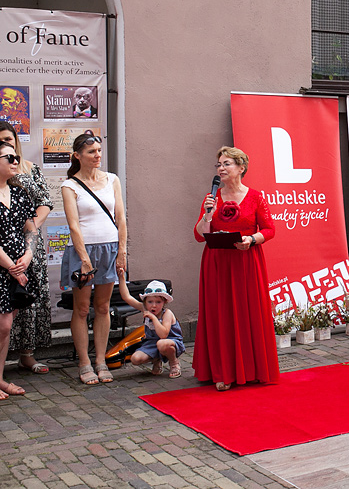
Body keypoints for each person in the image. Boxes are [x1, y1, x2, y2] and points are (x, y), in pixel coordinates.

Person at [194, 146, 279, 390]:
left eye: (227, 163)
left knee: (246, 312)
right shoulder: (212, 198)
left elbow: (269, 229)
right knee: (220, 314)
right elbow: (199, 236)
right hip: (217, 263)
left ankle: (250, 369)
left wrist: (251, 240)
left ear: (241, 168)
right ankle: (222, 372)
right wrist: (207, 216)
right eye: (219, 164)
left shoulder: (255, 197)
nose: (221, 168)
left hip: (245, 262)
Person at [62, 131, 127, 385]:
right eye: (91, 152)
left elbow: (121, 218)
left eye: (99, 151)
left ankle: (100, 360)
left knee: (102, 306)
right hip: (84, 250)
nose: (97, 155)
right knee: (81, 308)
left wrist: (122, 251)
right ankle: (84, 362)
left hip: (110, 248)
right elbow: (74, 225)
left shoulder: (112, 179)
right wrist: (84, 258)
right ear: (77, 156)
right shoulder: (70, 185)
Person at [0, 122, 53, 375]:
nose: (7, 144)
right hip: (4, 245)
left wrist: (28, 228)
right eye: (2, 141)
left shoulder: (30, 168)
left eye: (9, 139)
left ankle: (27, 354)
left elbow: (44, 203)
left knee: (28, 298)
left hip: (28, 245)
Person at [0, 141, 38, 399]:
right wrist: (12, 266)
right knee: (2, 325)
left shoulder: (20, 193)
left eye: (16, 157)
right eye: (9, 157)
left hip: (17, 269)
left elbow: (31, 229)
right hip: (7, 268)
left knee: (6, 324)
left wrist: (28, 254)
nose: (15, 161)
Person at [115, 274, 184, 377]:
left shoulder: (167, 313)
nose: (154, 305)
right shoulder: (145, 309)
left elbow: (163, 335)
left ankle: (174, 362)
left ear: (164, 302)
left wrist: (153, 318)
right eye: (150, 302)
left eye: (158, 302)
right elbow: (127, 297)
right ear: (145, 302)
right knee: (135, 359)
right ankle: (156, 359)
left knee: (162, 344)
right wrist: (121, 278)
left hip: (170, 341)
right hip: (152, 343)